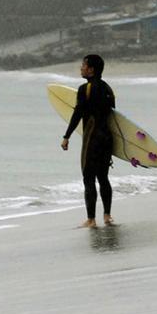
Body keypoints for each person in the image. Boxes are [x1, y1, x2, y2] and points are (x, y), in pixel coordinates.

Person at [61, 54, 115, 228]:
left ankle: (91, 219)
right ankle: (107, 215)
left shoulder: (85, 89)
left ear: (91, 69)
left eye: (83, 65)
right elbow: (113, 117)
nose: (81, 68)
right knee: (103, 177)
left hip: (92, 138)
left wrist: (66, 136)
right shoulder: (108, 89)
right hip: (107, 138)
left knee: (88, 178)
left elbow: (78, 113)